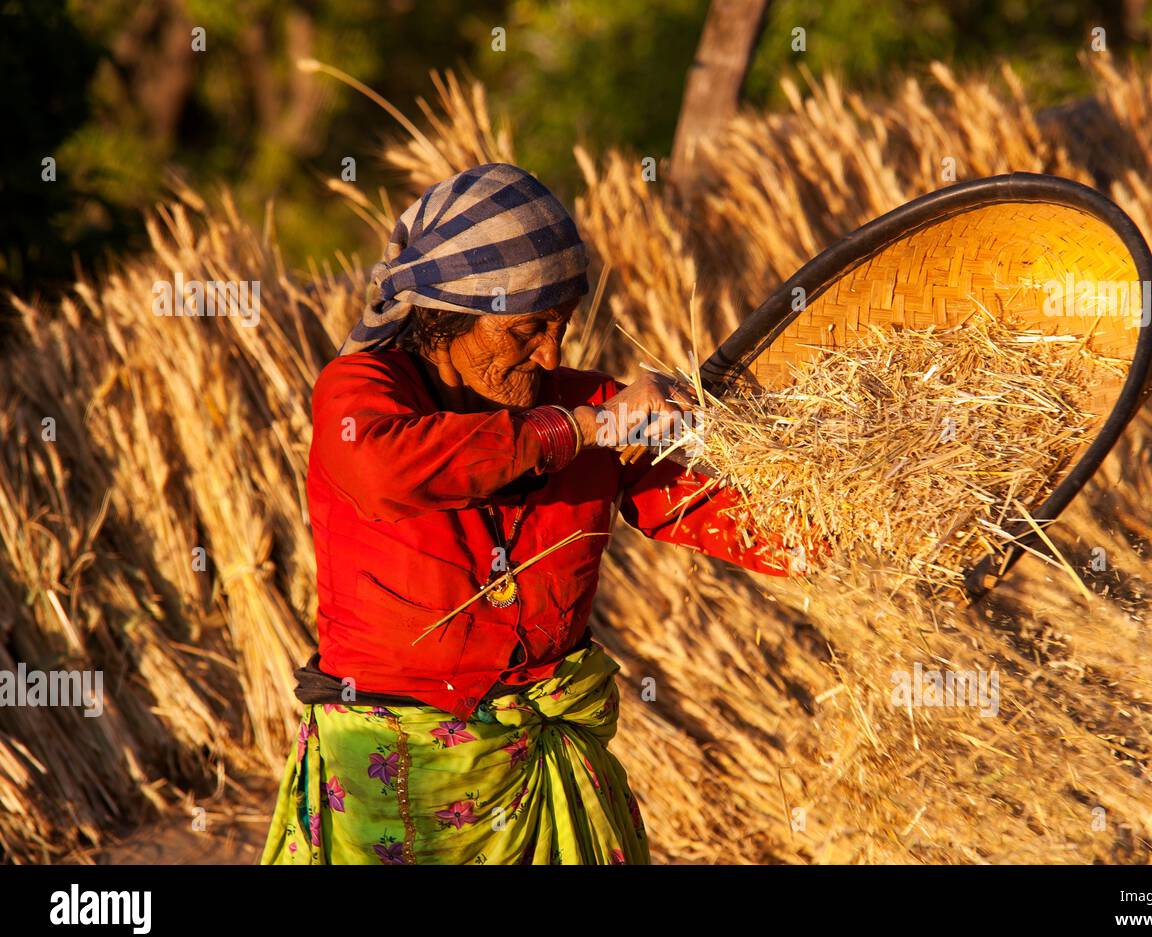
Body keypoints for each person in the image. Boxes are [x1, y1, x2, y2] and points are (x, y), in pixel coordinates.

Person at [261, 162, 788, 865]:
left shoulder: (586, 401)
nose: (550, 352)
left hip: (549, 762)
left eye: (561, 326)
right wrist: (582, 429)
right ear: (443, 317)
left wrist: (871, 538)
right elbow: (383, 471)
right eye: (527, 329)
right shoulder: (361, 394)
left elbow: (708, 508)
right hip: (398, 774)